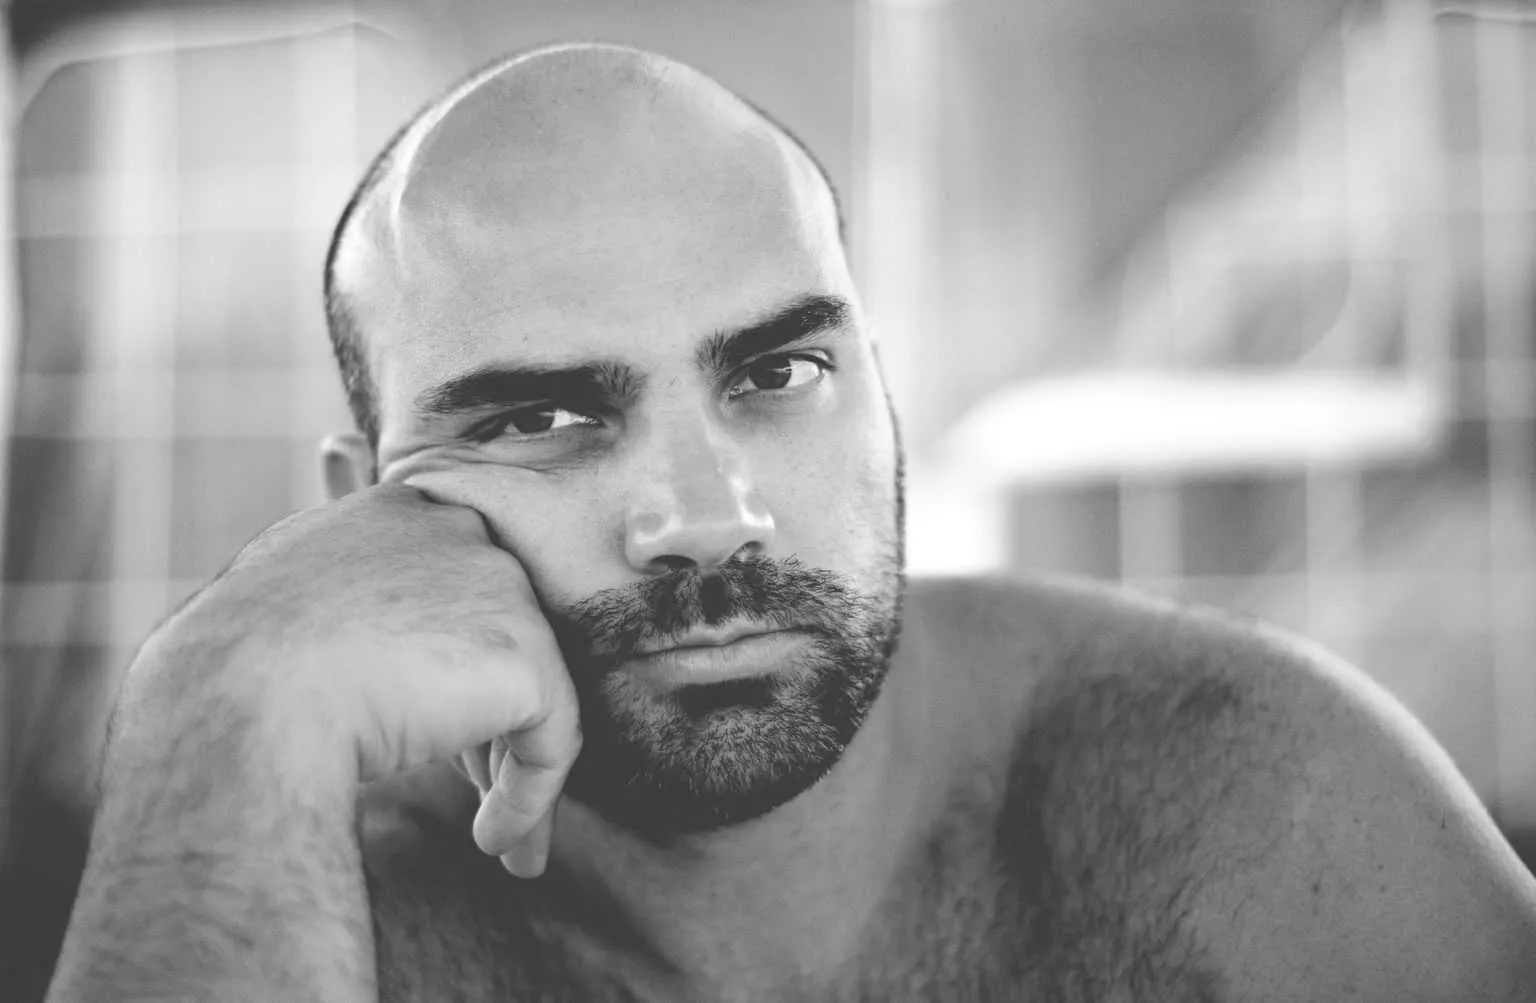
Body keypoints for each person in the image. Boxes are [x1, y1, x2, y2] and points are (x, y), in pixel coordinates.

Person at [43, 43, 1536, 1002]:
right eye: (544, 417)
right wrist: (217, 710)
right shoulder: (287, 905)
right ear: (356, 516)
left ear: (883, 394)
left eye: (778, 371)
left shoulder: (1251, 798)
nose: (708, 517)